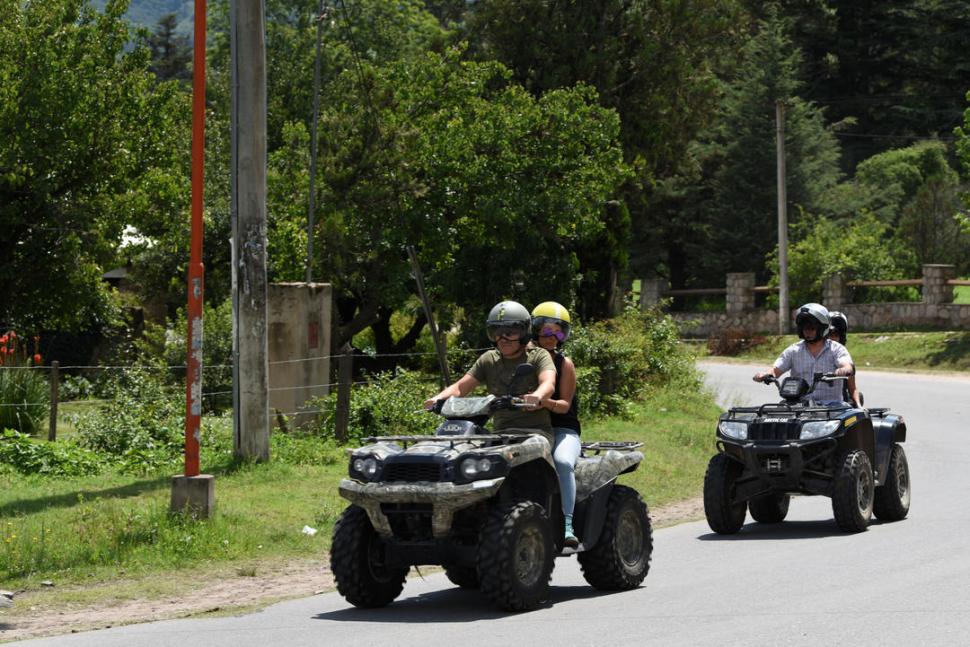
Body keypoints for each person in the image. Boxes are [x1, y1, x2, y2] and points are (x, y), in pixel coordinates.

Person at [424, 300, 556, 438]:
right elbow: (460, 387)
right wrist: (436, 399)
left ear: (524, 332)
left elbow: (548, 383)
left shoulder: (539, 355)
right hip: (500, 435)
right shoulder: (488, 359)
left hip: (536, 434)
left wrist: (537, 396)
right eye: (497, 333)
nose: (503, 339)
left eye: (509, 333)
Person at [532, 301, 581, 549]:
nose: (553, 337)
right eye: (547, 331)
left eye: (559, 332)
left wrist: (541, 401)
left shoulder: (565, 364)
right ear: (535, 331)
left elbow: (563, 405)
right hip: (529, 429)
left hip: (562, 429)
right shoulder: (524, 361)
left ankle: (568, 524)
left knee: (562, 462)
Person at [753, 302, 855, 405]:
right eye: (804, 328)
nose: (807, 332)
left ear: (822, 328)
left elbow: (847, 365)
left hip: (831, 407)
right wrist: (766, 374)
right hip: (800, 407)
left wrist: (844, 369)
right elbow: (775, 370)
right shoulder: (793, 351)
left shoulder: (836, 349)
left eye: (811, 328)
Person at [827, 310, 862, 407]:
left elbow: (852, 387)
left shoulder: (843, 356)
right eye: (829, 335)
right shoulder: (813, 353)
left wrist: (859, 406)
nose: (831, 339)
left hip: (838, 405)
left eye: (835, 335)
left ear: (841, 337)